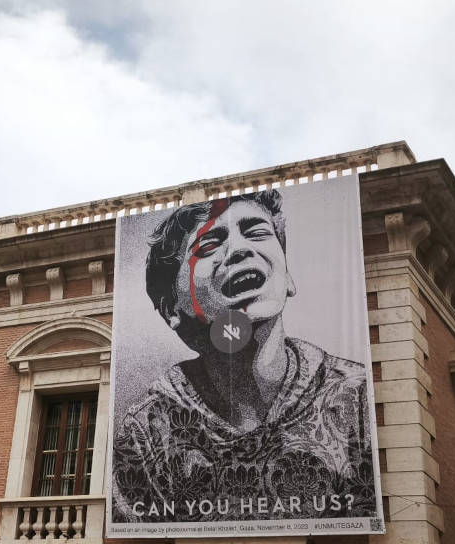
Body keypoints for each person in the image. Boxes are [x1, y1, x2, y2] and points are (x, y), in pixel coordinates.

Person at [112, 190, 376, 523]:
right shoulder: (147, 430)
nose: (239, 250)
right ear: (171, 310)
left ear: (287, 276)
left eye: (257, 232)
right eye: (208, 246)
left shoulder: (357, 396)